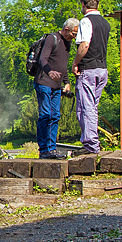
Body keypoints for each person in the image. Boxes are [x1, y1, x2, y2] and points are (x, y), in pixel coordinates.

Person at [72, 0, 111, 155]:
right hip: (102, 68)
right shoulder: (105, 23)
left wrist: (75, 62)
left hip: (89, 69)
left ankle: (90, 145)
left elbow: (85, 45)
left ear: (83, 5)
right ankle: (92, 142)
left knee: (85, 107)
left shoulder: (86, 21)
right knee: (93, 108)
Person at [35, 18, 79, 159]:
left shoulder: (68, 43)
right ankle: (44, 150)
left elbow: (63, 65)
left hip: (57, 86)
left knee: (55, 116)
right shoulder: (52, 39)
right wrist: (50, 72)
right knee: (46, 115)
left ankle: (52, 149)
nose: (75, 37)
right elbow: (43, 59)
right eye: (73, 33)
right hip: (44, 82)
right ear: (66, 29)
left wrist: (66, 82)